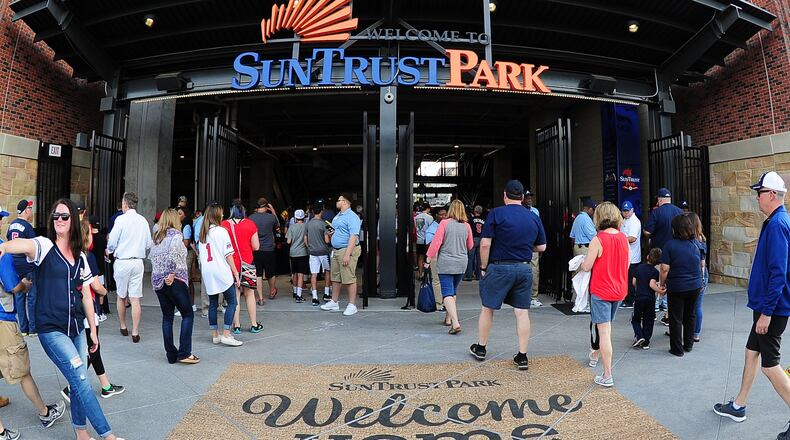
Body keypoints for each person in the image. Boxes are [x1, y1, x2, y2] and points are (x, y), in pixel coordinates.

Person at [0, 199, 125, 440]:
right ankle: (107, 435)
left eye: (65, 216)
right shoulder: (45, 246)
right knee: (80, 378)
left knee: (78, 380)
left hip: (77, 328)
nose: (59, 219)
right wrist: (6, 247)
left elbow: (87, 295)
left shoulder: (80, 257)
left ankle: (81, 433)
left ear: (74, 222)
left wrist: (93, 332)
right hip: (51, 329)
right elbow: (25, 244)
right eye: (56, 216)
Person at [714, 172, 790, 438]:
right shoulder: (775, 222)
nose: (756, 197)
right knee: (751, 352)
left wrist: (767, 312)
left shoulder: (779, 223)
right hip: (767, 307)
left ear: (771, 195)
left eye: (759, 193)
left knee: (770, 365)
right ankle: (739, 405)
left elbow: (778, 272)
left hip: (773, 308)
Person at [471, 180, 546, 371]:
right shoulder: (532, 216)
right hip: (523, 268)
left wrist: (483, 267)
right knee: (522, 312)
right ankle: (522, 356)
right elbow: (542, 247)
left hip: (499, 267)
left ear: (505, 195)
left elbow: (486, 243)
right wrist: (524, 246)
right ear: (522, 197)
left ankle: (481, 348)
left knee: (488, 308)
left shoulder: (496, 213)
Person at [0, 232, 67, 431]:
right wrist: (25, 285)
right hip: (3, 319)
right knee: (23, 370)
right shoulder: (1, 249)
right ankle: (45, 413)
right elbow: (12, 285)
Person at [63, 220, 126, 401]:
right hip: (88, 309)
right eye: (90, 233)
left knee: (92, 349)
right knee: (92, 348)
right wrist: (105, 292)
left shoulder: (72, 255)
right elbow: (96, 285)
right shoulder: (86, 256)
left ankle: (106, 385)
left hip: (78, 309)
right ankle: (71, 387)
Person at [580, 201, 629, 387]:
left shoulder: (598, 239)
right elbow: (625, 266)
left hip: (601, 290)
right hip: (619, 290)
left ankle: (607, 374)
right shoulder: (623, 238)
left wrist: (581, 261)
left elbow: (587, 266)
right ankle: (597, 357)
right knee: (607, 330)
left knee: (604, 332)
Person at [149, 209, 199, 364]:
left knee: (167, 317)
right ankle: (184, 353)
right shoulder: (176, 236)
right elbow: (174, 255)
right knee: (187, 314)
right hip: (174, 280)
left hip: (158, 281)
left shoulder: (157, 237)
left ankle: (171, 354)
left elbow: (152, 257)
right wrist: (171, 273)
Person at [106, 192, 152, 343]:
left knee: (121, 296)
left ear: (125, 204)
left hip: (123, 261)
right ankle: (136, 332)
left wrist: (109, 250)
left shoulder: (121, 220)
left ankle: (123, 325)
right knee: (135, 298)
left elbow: (112, 241)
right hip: (137, 261)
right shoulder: (143, 221)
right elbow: (148, 244)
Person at [425, 200, 473, 334]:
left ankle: (456, 322)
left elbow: (436, 243)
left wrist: (428, 258)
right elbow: (470, 246)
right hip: (462, 262)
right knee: (453, 291)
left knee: (446, 293)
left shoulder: (444, 224)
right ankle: (448, 318)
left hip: (446, 262)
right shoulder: (467, 226)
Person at [198, 203, 242, 347]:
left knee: (212, 303)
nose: (223, 215)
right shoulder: (222, 231)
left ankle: (215, 335)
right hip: (221, 271)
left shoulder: (203, 234)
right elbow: (228, 255)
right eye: (221, 213)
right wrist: (236, 273)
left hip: (208, 272)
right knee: (232, 302)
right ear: (217, 215)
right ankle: (227, 334)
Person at [658, 213, 703, 357]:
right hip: (695, 285)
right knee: (690, 315)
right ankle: (688, 345)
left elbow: (664, 269)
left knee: (676, 318)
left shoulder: (670, 245)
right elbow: (700, 264)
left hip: (677, 286)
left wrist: (662, 285)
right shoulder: (695, 244)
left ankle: (677, 349)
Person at [221, 201, 263, 333]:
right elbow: (256, 247)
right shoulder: (250, 224)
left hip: (231, 264)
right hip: (248, 263)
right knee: (249, 294)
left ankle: (237, 325)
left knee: (235, 295)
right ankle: (253, 324)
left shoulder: (224, 225)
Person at [321, 193, 363, 316]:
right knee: (336, 278)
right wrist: (331, 234)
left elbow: (353, 236)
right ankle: (334, 301)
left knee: (349, 278)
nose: (337, 202)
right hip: (336, 250)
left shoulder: (352, 216)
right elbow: (337, 231)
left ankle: (352, 305)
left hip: (346, 249)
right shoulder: (337, 216)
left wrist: (347, 254)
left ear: (345, 201)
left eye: (339, 200)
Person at [7, 200, 36, 336]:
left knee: (19, 296)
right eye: (30, 208)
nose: (31, 211)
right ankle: (33, 328)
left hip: (15, 265)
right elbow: (32, 247)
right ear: (25, 210)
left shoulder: (11, 225)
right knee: (32, 297)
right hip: (27, 266)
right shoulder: (27, 227)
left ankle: (23, 329)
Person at [631, 248, 665, 350]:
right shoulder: (655, 272)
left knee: (636, 319)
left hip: (639, 297)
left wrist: (639, 287)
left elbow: (633, 282)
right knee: (648, 320)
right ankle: (646, 341)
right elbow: (652, 284)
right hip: (650, 298)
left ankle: (639, 335)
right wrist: (660, 291)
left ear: (647, 257)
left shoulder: (639, 268)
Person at [248, 198, 280, 302]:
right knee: (271, 273)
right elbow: (278, 225)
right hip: (269, 249)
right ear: (266, 207)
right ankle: (272, 291)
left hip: (256, 249)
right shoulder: (271, 217)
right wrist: (273, 210)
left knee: (258, 274)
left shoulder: (251, 218)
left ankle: (261, 298)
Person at [306, 205, 332, 306]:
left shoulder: (308, 224)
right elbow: (326, 240)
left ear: (312, 211)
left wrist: (310, 247)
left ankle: (315, 297)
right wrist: (330, 236)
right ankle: (326, 293)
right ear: (322, 212)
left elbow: (306, 239)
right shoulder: (324, 224)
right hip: (324, 252)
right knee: (327, 272)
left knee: (314, 274)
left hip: (313, 252)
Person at [688, 212, 708, 343]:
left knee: (693, 306)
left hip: (696, 276)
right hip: (702, 275)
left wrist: (700, 279)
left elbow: (701, 263)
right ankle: (696, 332)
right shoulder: (702, 238)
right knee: (698, 306)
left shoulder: (693, 241)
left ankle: (693, 332)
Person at [176, 206, 198, 316]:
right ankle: (190, 304)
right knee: (187, 280)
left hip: (187, 253)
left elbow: (186, 243)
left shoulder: (186, 226)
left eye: (180, 213)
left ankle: (186, 306)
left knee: (185, 279)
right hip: (184, 253)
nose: (177, 215)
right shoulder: (179, 225)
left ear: (185, 215)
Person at [523, 191, 543, 307]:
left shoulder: (535, 211)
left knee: (534, 271)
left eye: (530, 197)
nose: (529, 199)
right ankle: (522, 296)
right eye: (527, 198)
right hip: (521, 245)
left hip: (533, 245)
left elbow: (539, 229)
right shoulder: (519, 210)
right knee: (522, 271)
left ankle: (533, 297)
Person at [620, 201, 642, 308]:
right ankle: (627, 298)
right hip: (626, 256)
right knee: (626, 278)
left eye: (627, 211)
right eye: (624, 211)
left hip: (632, 257)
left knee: (630, 279)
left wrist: (618, 240)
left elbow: (633, 238)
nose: (626, 213)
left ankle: (630, 300)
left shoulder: (634, 221)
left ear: (632, 210)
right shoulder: (625, 220)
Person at [286, 209, 310, 303]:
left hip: (293, 252)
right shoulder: (306, 226)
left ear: (295, 218)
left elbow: (288, 241)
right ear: (304, 217)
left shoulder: (292, 227)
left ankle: (295, 291)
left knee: (294, 273)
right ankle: (299, 295)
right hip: (303, 253)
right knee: (301, 274)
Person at [465, 205, 485, 282]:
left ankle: (469, 275)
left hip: (472, 239)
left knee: (470, 258)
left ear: (474, 211)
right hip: (481, 239)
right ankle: (478, 275)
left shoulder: (471, 220)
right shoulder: (484, 220)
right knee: (479, 258)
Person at [414, 204, 434, 279]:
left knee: (420, 257)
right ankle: (428, 275)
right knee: (428, 258)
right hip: (428, 241)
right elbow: (431, 229)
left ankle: (420, 274)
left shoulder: (416, 217)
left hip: (419, 240)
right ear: (428, 209)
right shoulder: (429, 217)